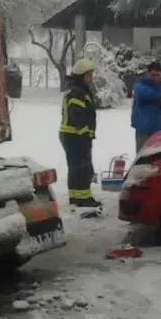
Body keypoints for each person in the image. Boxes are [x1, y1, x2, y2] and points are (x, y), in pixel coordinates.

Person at [59, 59, 100, 209]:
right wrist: (84, 134)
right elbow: (78, 116)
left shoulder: (79, 90)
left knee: (78, 167)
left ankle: (78, 197)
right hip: (75, 135)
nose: (91, 78)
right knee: (80, 167)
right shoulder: (77, 92)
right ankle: (83, 198)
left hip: (74, 135)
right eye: (89, 75)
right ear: (82, 75)